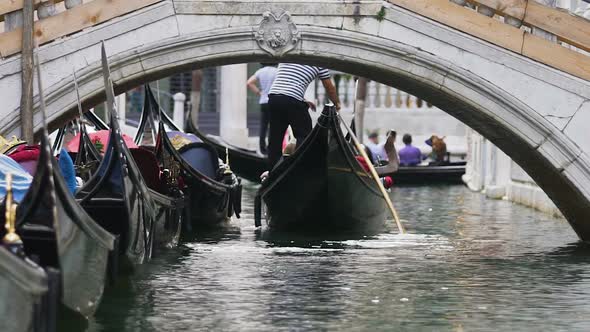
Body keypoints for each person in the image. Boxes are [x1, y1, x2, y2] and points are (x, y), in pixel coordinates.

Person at [267, 63, 341, 167]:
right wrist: (337, 104)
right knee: (305, 137)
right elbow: (329, 87)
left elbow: (288, 83)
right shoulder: (319, 62)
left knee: (275, 139)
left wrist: (303, 100)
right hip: (292, 99)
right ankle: (299, 167)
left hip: (274, 98)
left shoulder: (290, 54)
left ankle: (273, 171)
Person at [246, 63, 278, 155]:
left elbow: (249, 82)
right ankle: (271, 148)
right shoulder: (277, 71)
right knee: (273, 126)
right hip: (274, 101)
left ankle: (262, 149)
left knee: (263, 126)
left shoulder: (260, 71)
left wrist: (259, 92)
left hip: (263, 101)